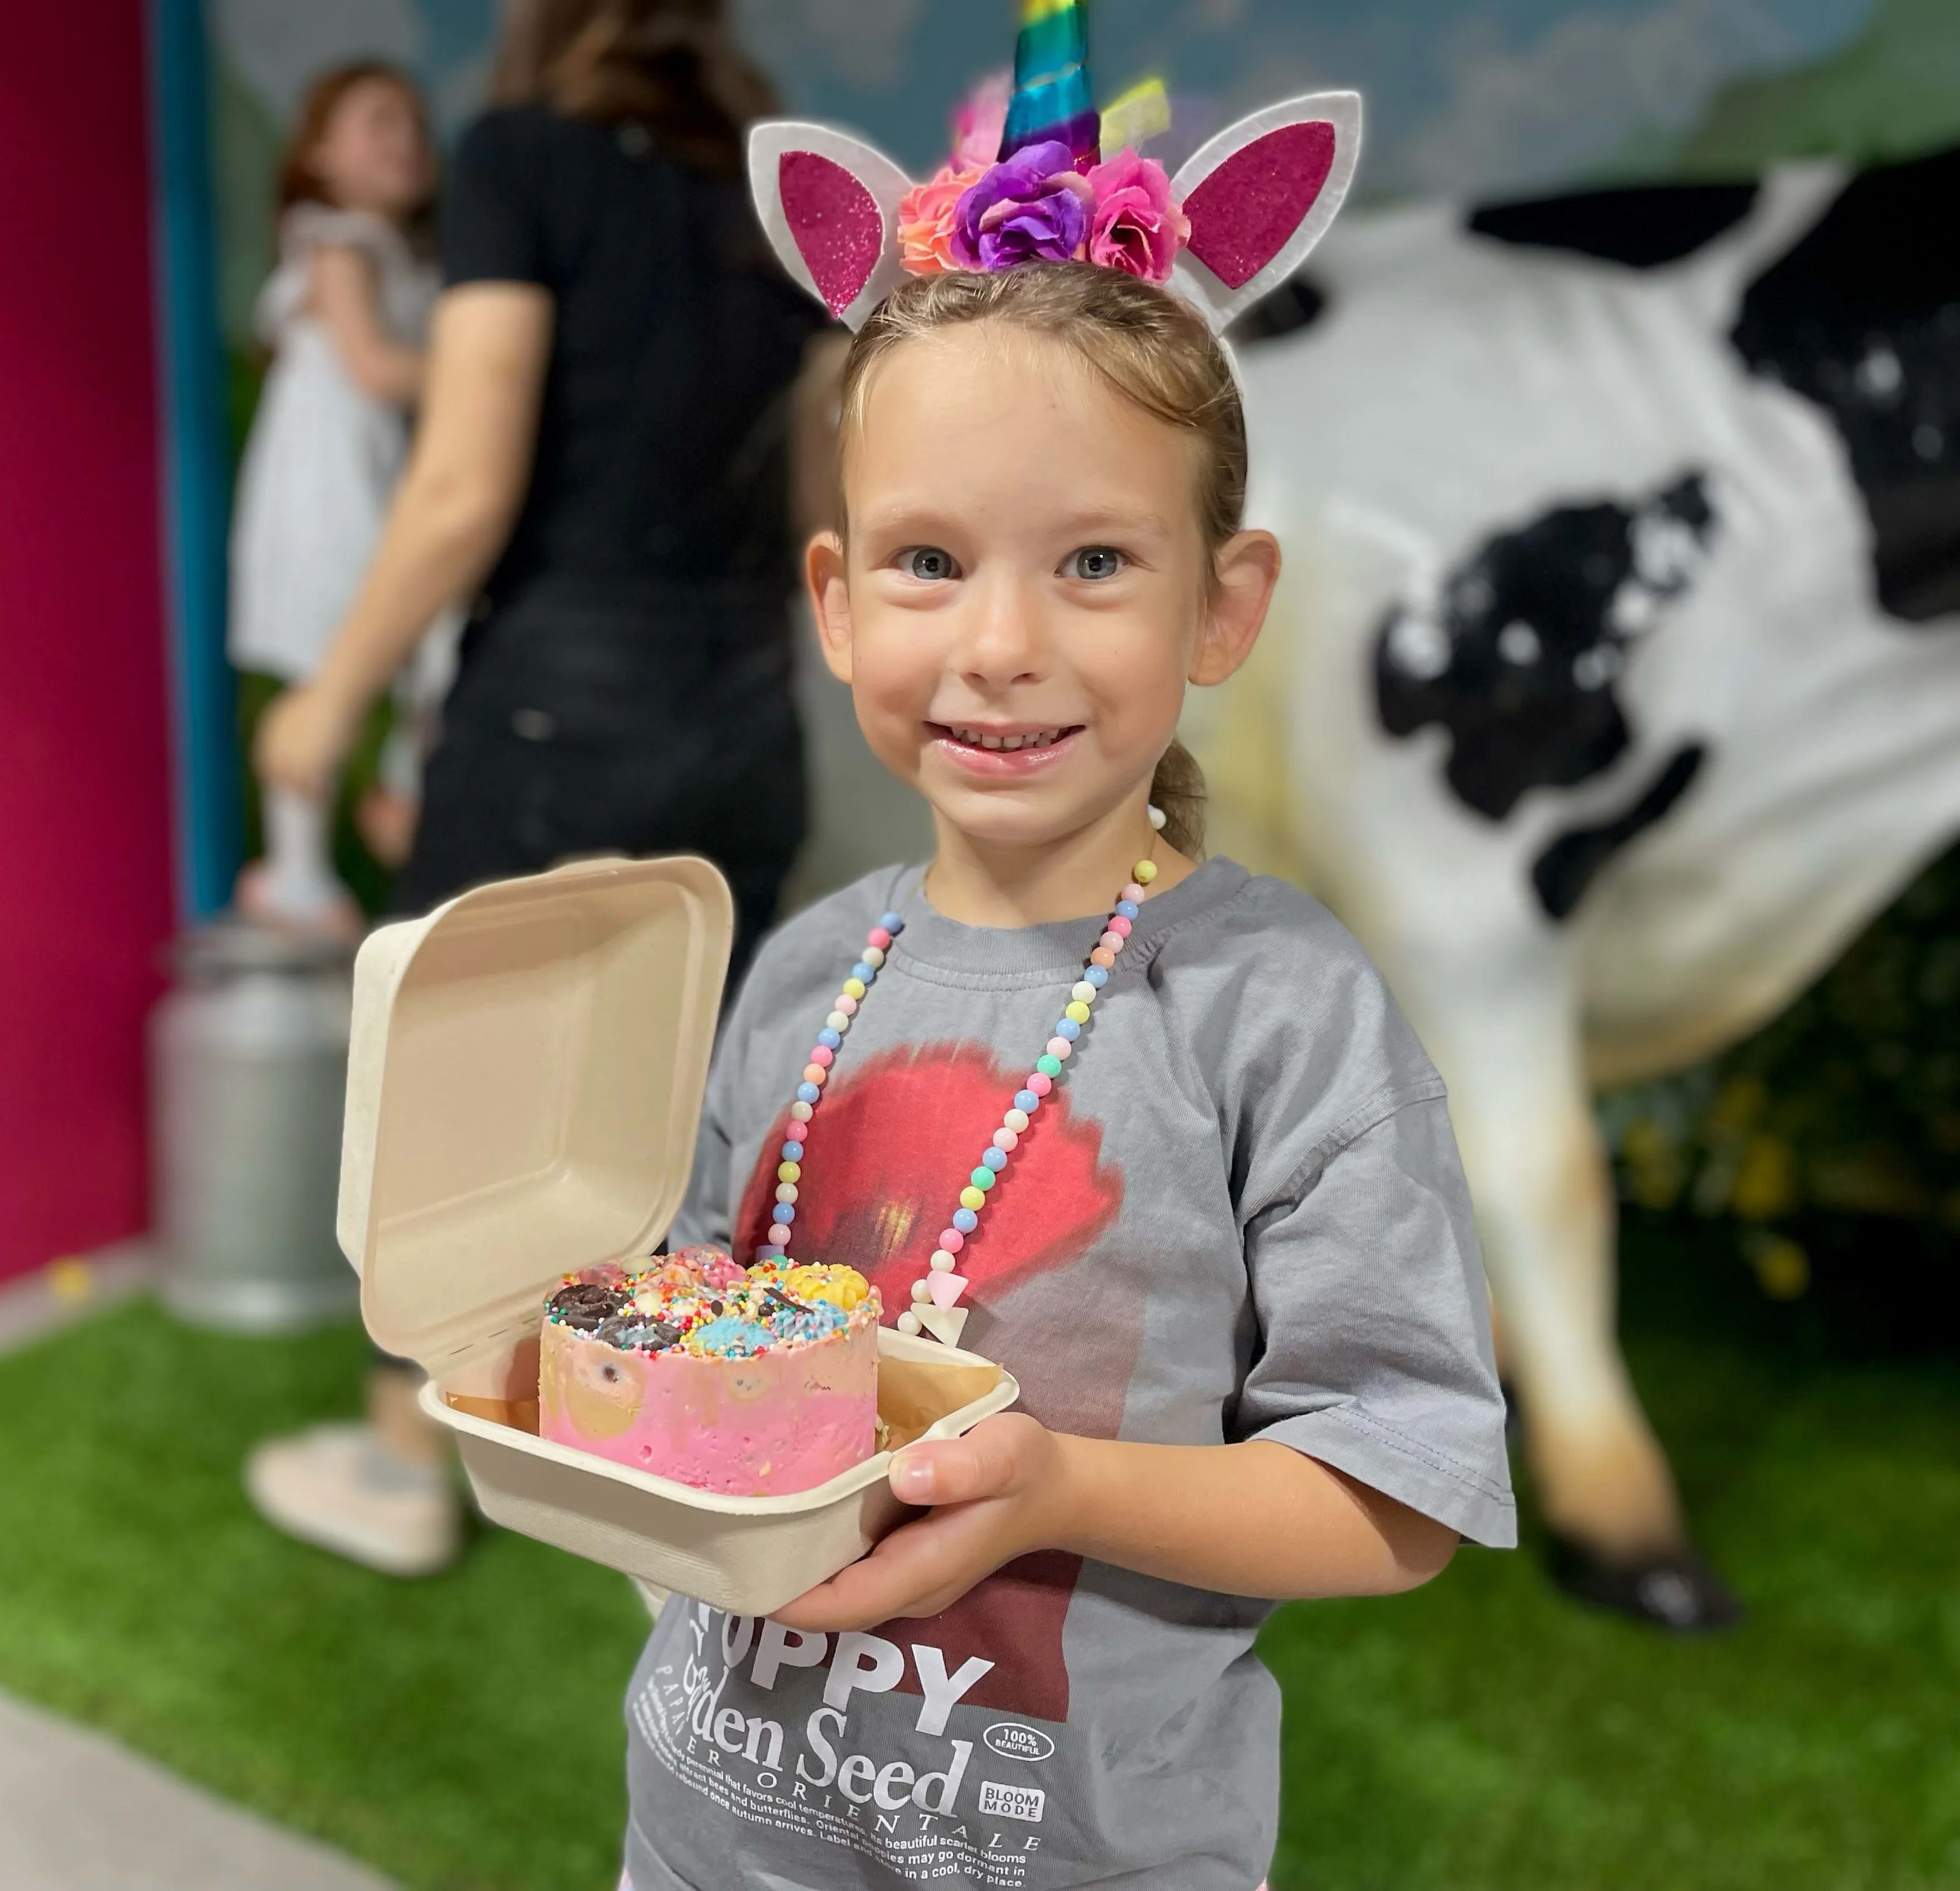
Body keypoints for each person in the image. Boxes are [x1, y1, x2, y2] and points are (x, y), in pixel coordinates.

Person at [615, 33, 1515, 1889]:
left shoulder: (1282, 1016)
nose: (1001, 643)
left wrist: (1063, 1489)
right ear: (837, 600)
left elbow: (1399, 1494)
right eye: (928, 562)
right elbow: (690, 1334)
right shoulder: (799, 973)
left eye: (1096, 563)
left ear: (1221, 606)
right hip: (707, 1841)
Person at [245, 0, 830, 1577]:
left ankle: (402, 1470)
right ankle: (672, 1463)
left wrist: (330, 698)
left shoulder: (522, 161)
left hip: (558, 714)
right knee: (688, 1112)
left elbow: (463, 482)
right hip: (747, 717)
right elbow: (816, 496)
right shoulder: (767, 203)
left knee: (449, 1108)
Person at [227, 61, 454, 934]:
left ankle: (400, 789)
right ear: (318, 154)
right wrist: (491, 377)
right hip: (329, 490)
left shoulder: (412, 261)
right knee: (329, 654)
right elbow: (373, 365)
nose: (405, 140)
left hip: (380, 478)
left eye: (413, 123)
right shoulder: (337, 242)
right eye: (378, 121)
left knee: (429, 632)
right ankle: (297, 867)